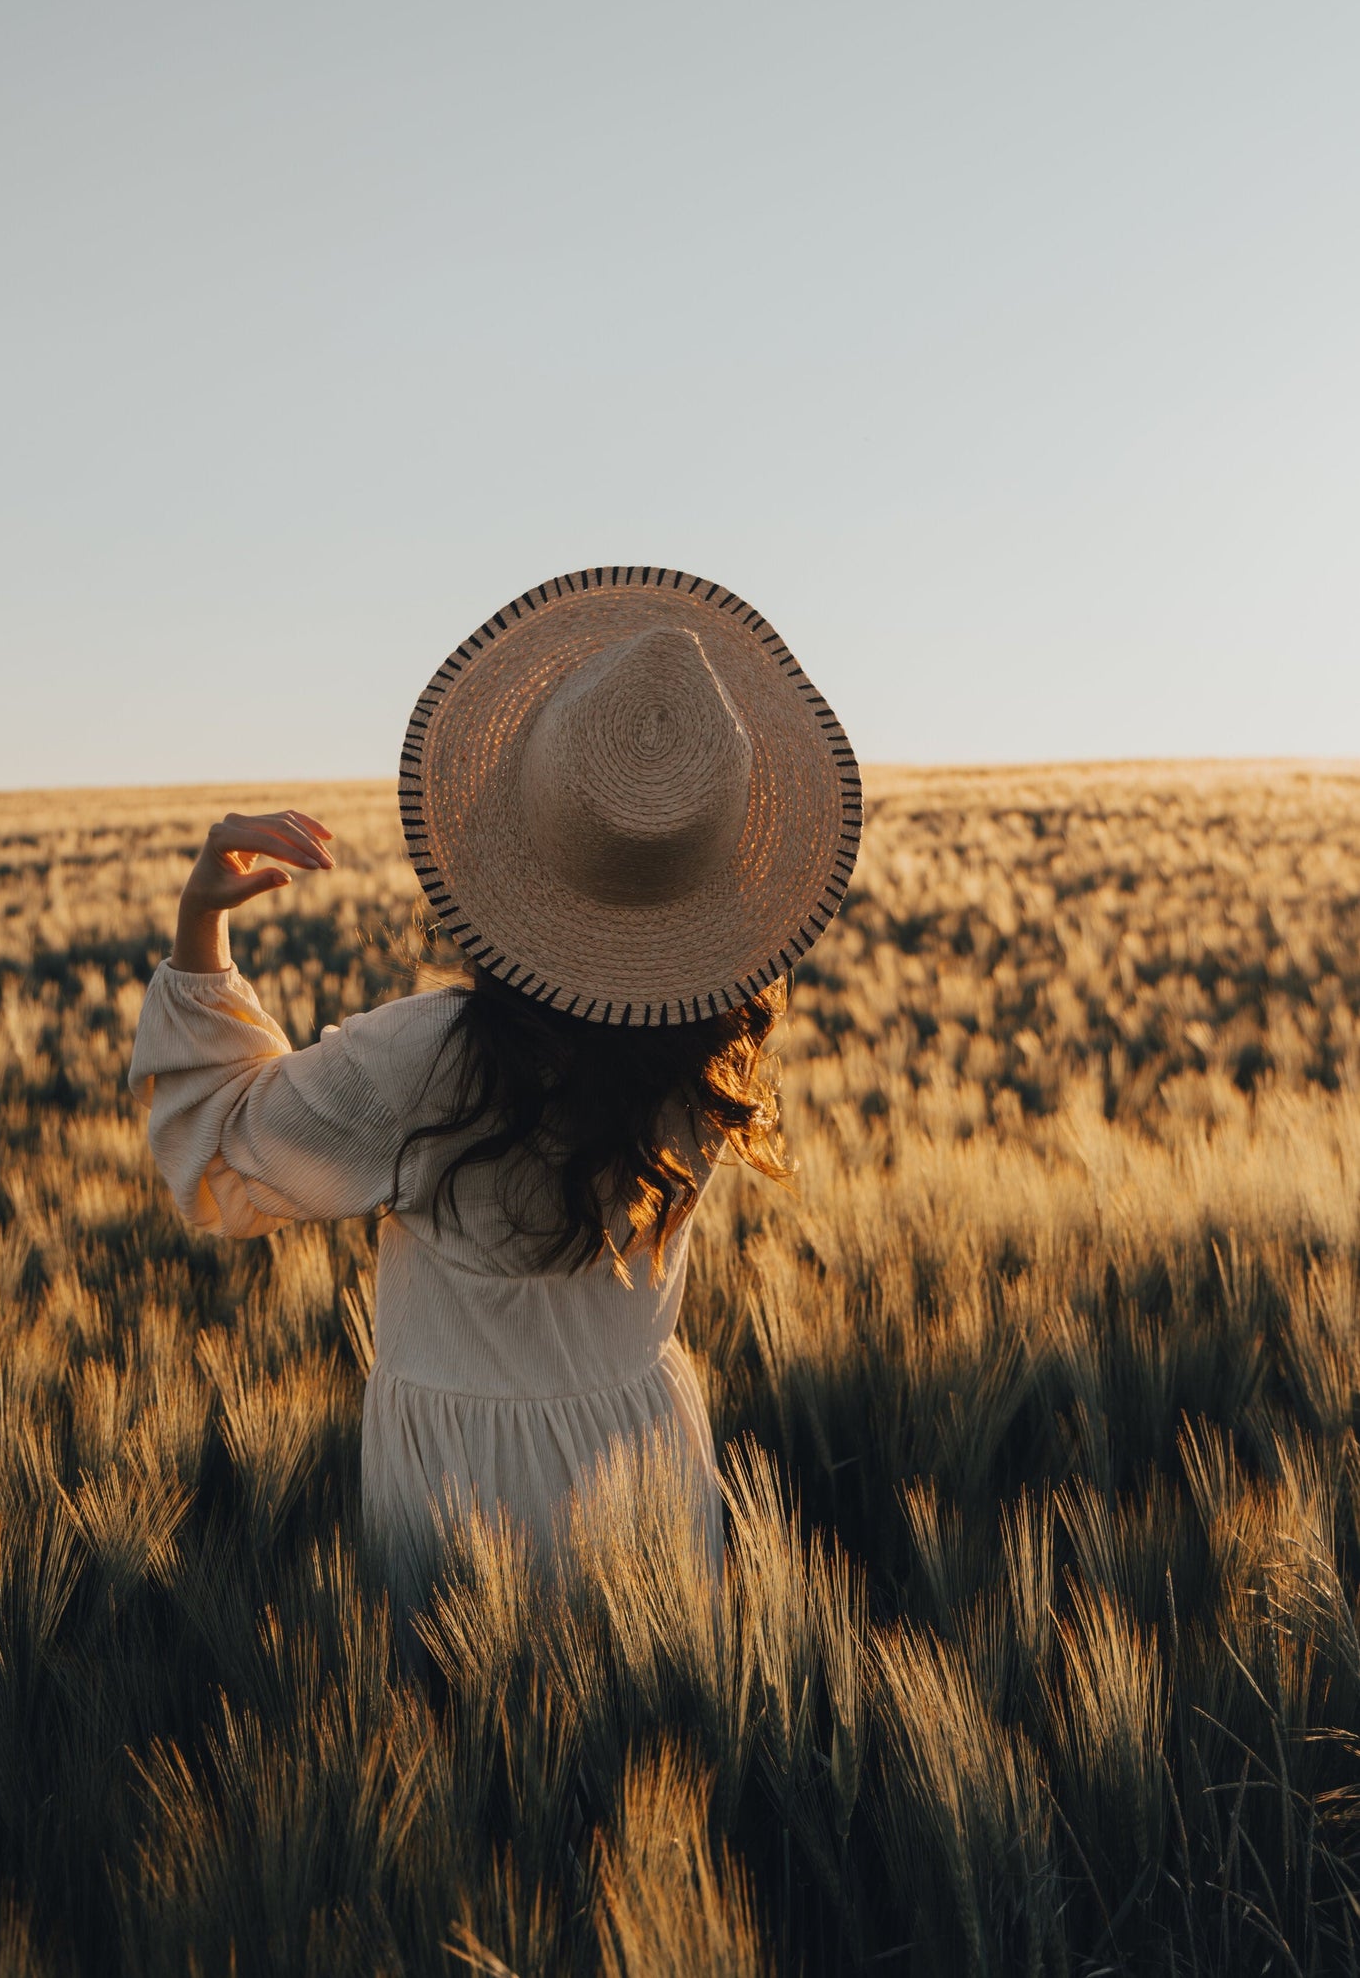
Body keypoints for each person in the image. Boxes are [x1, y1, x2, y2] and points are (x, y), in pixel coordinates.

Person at [127, 566, 863, 1628]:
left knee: (473, 1763)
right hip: (645, 1461)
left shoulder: (426, 1059)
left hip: (460, 1493)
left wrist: (201, 924)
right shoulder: (706, 1056)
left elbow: (223, 1153)